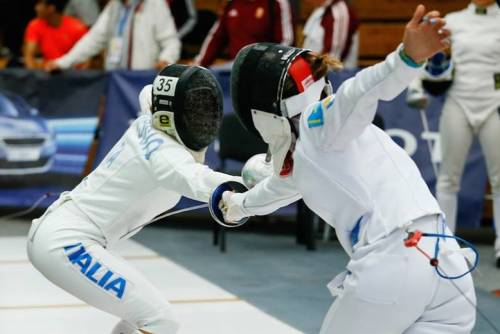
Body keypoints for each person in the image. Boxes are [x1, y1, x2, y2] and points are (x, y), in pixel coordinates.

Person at [220, 5, 477, 333]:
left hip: (396, 260)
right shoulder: (302, 159)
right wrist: (235, 205)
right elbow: (274, 191)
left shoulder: (319, 126)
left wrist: (407, 58)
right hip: (447, 262)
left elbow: (359, 91)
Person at [27, 64, 241, 334]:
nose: (204, 117)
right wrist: (255, 191)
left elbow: (147, 92)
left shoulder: (149, 117)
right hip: (67, 244)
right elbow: (199, 180)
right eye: (196, 110)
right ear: (175, 114)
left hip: (61, 232)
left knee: (136, 319)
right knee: (160, 321)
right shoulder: (166, 155)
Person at [407, 0, 500, 267]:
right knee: (448, 178)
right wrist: (416, 87)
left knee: (499, 179)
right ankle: (444, 243)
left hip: (494, 102)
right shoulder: (454, 21)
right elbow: (430, 53)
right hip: (458, 101)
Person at [45, 0, 181, 71]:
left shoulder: (154, 4)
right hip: (116, 81)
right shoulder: (114, 6)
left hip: (143, 81)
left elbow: (171, 42)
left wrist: (166, 59)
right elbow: (93, 40)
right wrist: (63, 62)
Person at [194, 0, 294, 68]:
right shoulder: (232, 4)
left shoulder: (276, 3)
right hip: (234, 67)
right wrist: (199, 64)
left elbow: (285, 41)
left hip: (264, 67)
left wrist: (270, 65)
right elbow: (216, 37)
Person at [24, 0, 88, 69]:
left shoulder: (77, 27)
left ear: (51, 8)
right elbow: (29, 56)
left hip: (73, 73)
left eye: (40, 4)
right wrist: (34, 77)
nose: (36, 8)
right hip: (48, 72)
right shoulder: (34, 25)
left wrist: (79, 77)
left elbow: (87, 58)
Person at [302, 0, 360, 69]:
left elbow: (332, 61)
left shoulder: (338, 12)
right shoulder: (321, 9)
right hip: (314, 73)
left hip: (334, 77)